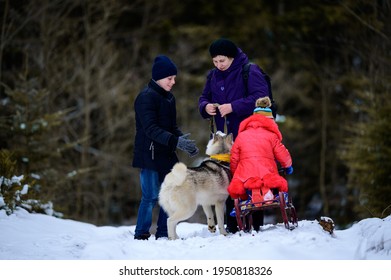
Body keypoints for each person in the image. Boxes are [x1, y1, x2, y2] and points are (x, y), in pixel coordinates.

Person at [198, 38, 270, 233]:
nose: (218, 65)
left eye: (222, 61)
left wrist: (233, 107)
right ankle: (232, 224)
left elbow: (262, 98)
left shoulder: (250, 71)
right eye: (215, 61)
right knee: (227, 180)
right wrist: (206, 107)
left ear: (232, 57)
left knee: (250, 179)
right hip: (224, 140)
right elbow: (203, 98)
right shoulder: (213, 75)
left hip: (249, 136)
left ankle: (253, 223)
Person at [132, 55, 199, 240]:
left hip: (166, 154)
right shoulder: (145, 98)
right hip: (149, 154)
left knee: (169, 195)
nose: (173, 82)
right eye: (170, 78)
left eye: (174, 78)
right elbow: (151, 129)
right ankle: (141, 234)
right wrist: (175, 141)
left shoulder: (169, 98)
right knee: (151, 196)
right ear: (159, 77)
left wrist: (183, 141)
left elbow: (172, 127)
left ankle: (163, 232)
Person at [227, 97, 293, 222]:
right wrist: (288, 166)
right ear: (270, 121)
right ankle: (272, 196)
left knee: (244, 186)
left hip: (245, 177)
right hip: (266, 175)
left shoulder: (241, 136)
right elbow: (283, 155)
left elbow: (234, 159)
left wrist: (235, 173)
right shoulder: (272, 136)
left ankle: (248, 200)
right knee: (274, 181)